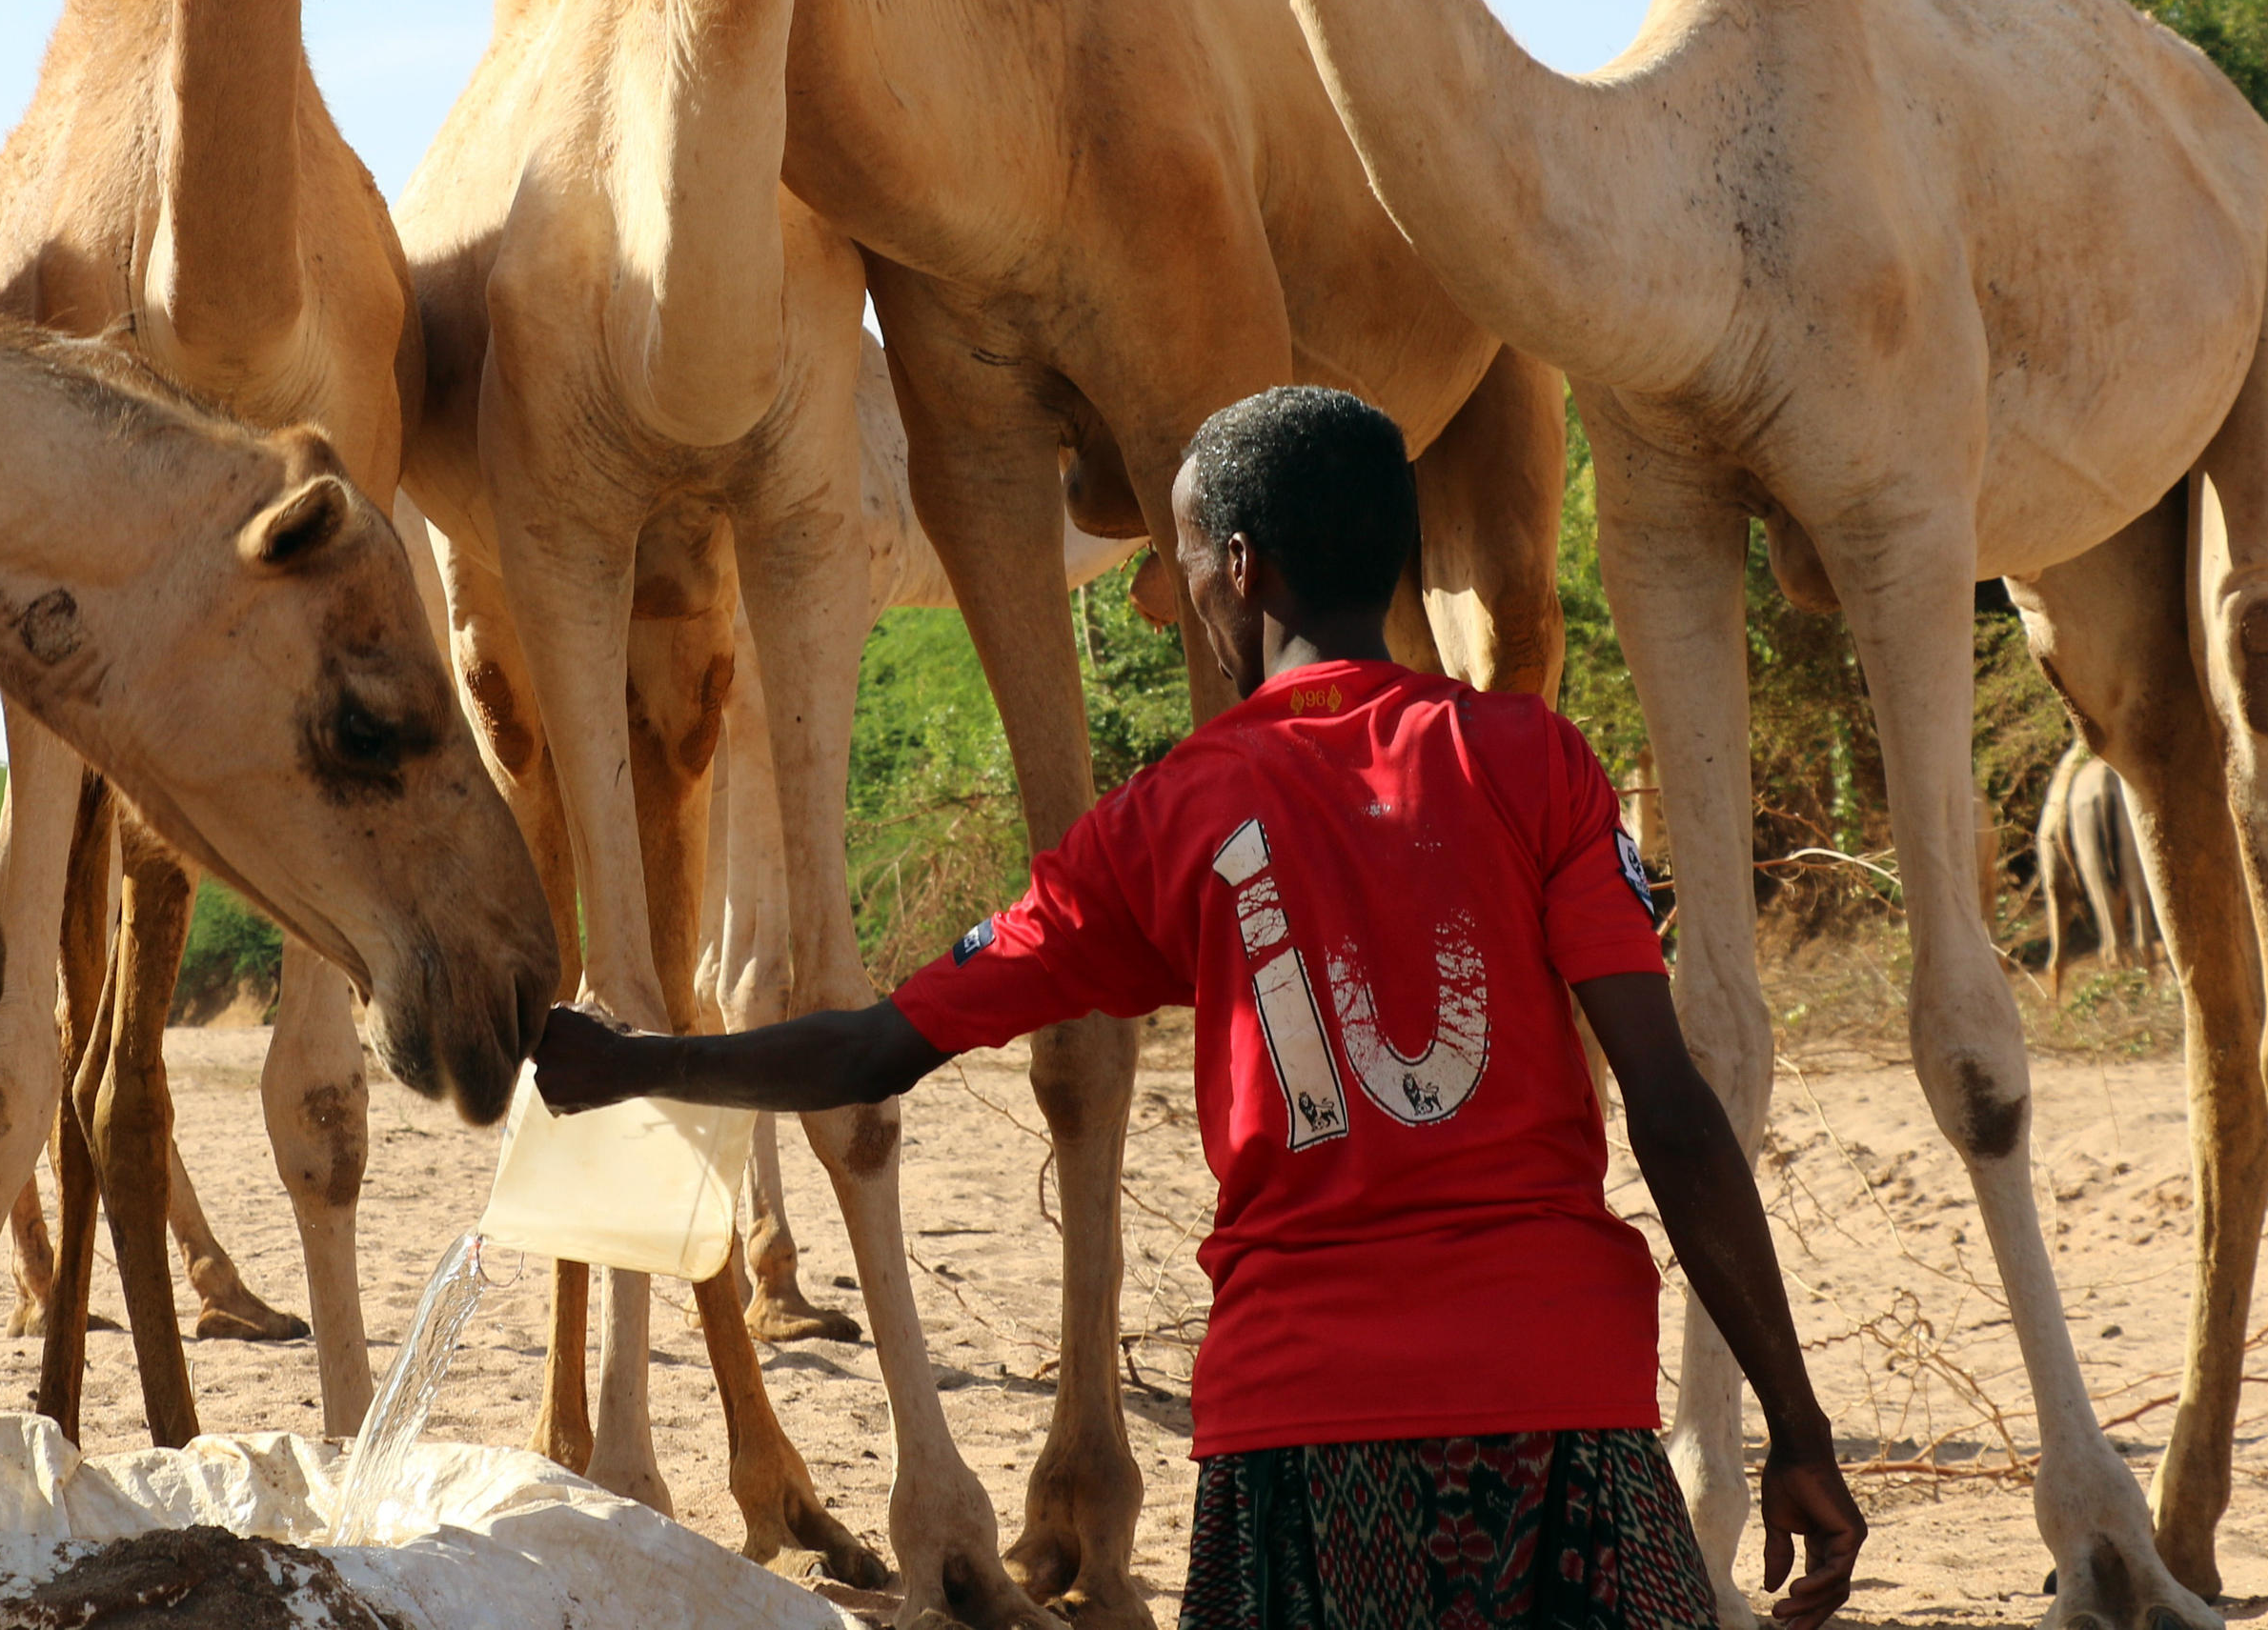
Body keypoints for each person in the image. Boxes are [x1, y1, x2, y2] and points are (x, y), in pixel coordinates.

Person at [535, 386, 1863, 1630]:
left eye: (1177, 568)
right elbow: (1673, 1112)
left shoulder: (1163, 821)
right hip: (1563, 1411)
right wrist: (1792, 1424)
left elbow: (879, 1044)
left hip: (1298, 1435)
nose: (1173, 605)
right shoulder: (1536, 762)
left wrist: (641, 1060)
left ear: (1245, 566)